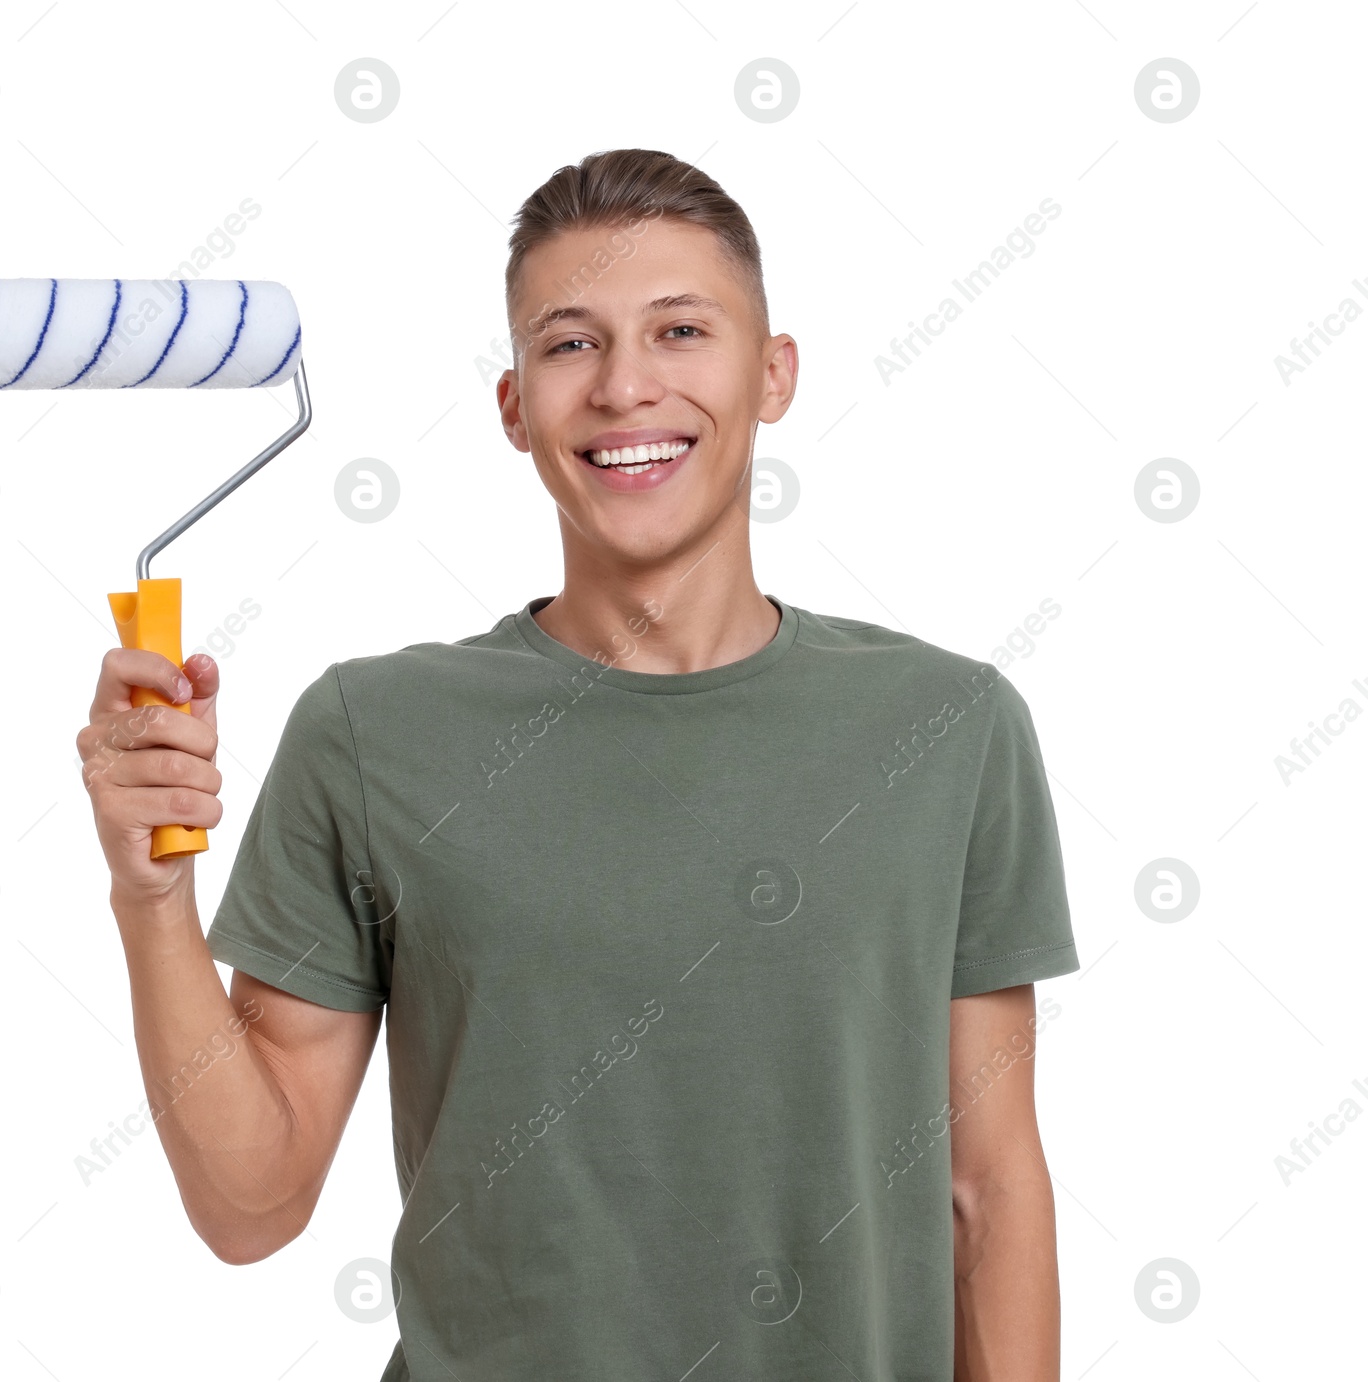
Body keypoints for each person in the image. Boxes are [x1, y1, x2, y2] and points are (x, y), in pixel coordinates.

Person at [78, 147, 1080, 1381]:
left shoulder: (948, 727)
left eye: (679, 330)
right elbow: (251, 1204)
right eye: (568, 344)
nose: (623, 387)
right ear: (513, 407)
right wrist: (151, 895)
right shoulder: (371, 732)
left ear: (773, 375)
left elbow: (988, 1189)